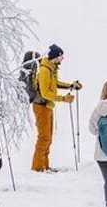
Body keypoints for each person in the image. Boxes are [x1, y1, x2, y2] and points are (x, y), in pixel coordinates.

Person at [31, 44, 81, 172]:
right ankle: (37, 168)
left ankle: (44, 166)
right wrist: (63, 99)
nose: (62, 59)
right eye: (61, 56)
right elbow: (45, 93)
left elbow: (55, 84)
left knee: (48, 137)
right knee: (44, 137)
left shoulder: (51, 68)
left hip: (47, 105)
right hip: (41, 106)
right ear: (55, 56)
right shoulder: (44, 70)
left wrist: (71, 85)